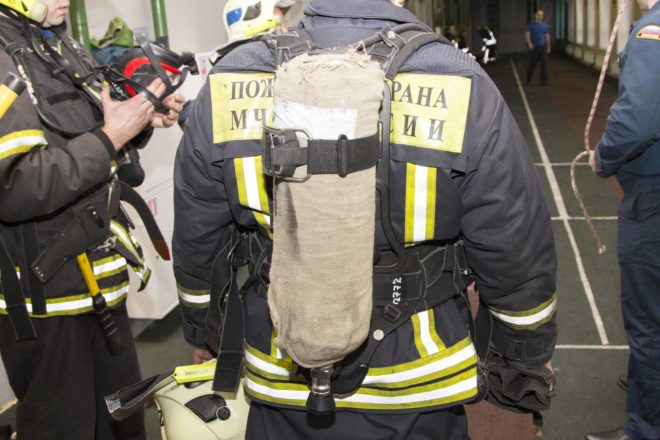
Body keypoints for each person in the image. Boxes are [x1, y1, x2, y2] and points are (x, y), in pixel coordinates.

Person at [173, 0, 558, 438]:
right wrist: (525, 355)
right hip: (418, 381)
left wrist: (204, 333)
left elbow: (197, 238)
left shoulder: (232, 77)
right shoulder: (456, 77)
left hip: (280, 371)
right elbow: (514, 242)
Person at [0, 0, 184, 438]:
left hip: (98, 280)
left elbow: (86, 130)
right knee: (63, 427)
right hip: (45, 302)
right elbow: (16, 187)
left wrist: (141, 118)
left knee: (124, 419)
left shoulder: (52, 41)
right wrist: (113, 135)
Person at [587, 1, 660, 439]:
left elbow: (638, 118)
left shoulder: (652, 32)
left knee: (648, 320)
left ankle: (645, 428)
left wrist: (604, 157)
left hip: (652, 200)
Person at [525, 9, 551, 85]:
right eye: (539, 15)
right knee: (531, 65)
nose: (540, 17)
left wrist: (548, 47)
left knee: (544, 66)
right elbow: (527, 35)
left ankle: (544, 81)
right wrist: (529, 44)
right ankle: (528, 80)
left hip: (542, 48)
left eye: (542, 15)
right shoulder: (530, 26)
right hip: (534, 48)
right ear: (535, 15)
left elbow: (547, 37)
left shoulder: (545, 26)